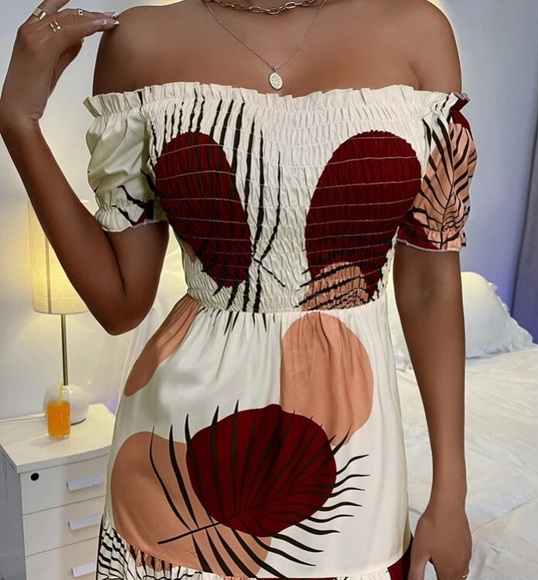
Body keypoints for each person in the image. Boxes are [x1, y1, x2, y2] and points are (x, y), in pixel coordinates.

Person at [0, 0, 477, 578]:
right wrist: (20, 123)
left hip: (353, 455)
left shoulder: (418, 32)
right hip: (177, 451)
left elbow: (429, 284)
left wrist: (450, 492)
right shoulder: (139, 40)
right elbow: (121, 302)